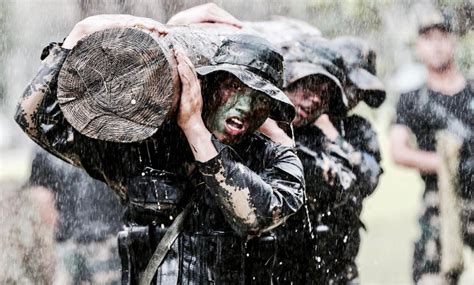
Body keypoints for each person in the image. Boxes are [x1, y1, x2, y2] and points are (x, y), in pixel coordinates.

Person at [14, 14, 304, 284]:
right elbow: (36, 120)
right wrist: (78, 36)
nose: (245, 106)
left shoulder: (275, 158)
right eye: (233, 87)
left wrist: (195, 130)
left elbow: (255, 217)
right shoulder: (146, 148)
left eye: (260, 98)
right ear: (208, 84)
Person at [270, 37, 382, 284]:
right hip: (287, 266)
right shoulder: (289, 124)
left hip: (338, 264)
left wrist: (333, 135)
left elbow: (365, 181)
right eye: (350, 87)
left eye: (360, 92)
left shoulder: (357, 129)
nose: (354, 97)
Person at [390, 10, 473, 284]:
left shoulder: (471, 91)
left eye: (442, 36)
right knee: (432, 278)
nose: (436, 44)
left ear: (453, 40)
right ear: (418, 45)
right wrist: (442, 163)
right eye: (428, 38)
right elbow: (398, 150)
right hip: (439, 198)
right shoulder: (412, 99)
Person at [28, 147, 124, 284]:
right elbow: (40, 196)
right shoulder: (114, 140)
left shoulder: (50, 140)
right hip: (87, 242)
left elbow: (40, 195)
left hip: (104, 242)